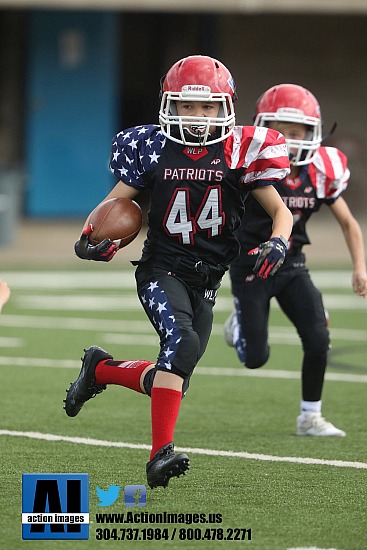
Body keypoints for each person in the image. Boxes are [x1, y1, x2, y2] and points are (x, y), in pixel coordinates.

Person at [64, 55, 293, 488]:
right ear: (170, 105)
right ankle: (158, 456)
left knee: (174, 375)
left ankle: (100, 370)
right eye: (188, 105)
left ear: (225, 107)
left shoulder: (240, 151)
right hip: (161, 267)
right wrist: (89, 239)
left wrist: (278, 240)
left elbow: (281, 213)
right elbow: (112, 205)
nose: (199, 115)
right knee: (182, 343)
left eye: (208, 107)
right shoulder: (153, 147)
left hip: (207, 279)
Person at [224, 83, 367, 437]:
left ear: (314, 133)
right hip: (252, 262)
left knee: (318, 338)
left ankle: (310, 416)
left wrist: (360, 266)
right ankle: (239, 322)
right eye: (281, 132)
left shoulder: (320, 171)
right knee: (256, 358)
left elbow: (349, 222)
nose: (289, 139)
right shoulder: (251, 163)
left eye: (297, 132)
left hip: (291, 264)